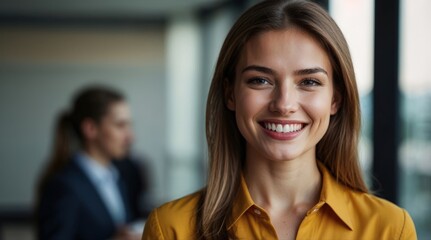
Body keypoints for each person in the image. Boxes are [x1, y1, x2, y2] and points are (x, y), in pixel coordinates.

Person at [142, 0, 417, 239]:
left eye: (309, 81)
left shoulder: (389, 228)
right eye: (260, 80)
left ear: (336, 99)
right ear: (230, 94)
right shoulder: (171, 229)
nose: (284, 104)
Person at [36, 86, 145, 240]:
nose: (130, 137)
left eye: (129, 125)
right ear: (91, 128)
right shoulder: (63, 186)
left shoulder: (119, 176)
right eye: (120, 125)